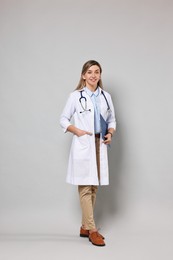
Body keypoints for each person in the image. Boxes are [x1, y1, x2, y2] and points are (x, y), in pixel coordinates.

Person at [60, 60, 116, 247]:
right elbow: (63, 119)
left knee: (94, 187)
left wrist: (109, 133)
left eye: (97, 72)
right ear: (83, 75)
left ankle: (84, 226)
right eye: (89, 72)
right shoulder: (76, 96)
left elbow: (112, 120)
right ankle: (92, 230)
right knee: (85, 187)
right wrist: (77, 131)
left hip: (100, 144)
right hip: (84, 144)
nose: (93, 75)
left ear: (100, 75)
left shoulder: (106, 96)